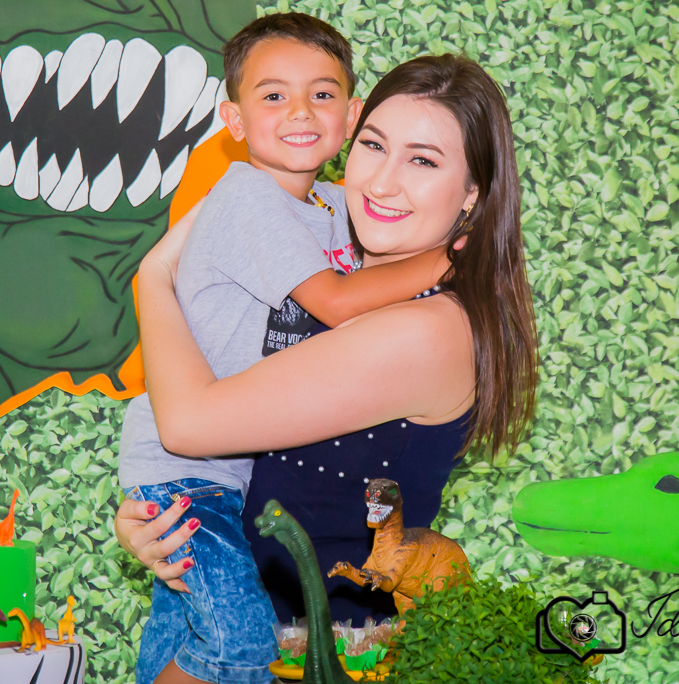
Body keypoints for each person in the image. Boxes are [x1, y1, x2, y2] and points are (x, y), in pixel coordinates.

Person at [117, 54, 539, 683]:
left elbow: (187, 423)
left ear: (473, 193)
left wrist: (152, 277)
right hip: (234, 620)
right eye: (374, 145)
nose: (383, 182)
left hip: (316, 659)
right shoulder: (328, 258)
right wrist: (166, 517)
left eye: (423, 161)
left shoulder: (428, 330)